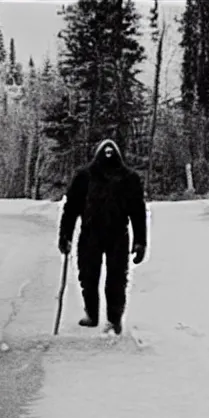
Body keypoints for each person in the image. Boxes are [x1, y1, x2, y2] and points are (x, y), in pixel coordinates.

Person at [58, 139, 147, 336]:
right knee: (88, 276)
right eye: (104, 151)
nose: (108, 154)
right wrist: (65, 235)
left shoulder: (129, 178)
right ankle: (92, 314)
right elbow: (71, 208)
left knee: (116, 279)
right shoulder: (84, 177)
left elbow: (137, 211)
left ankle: (114, 319)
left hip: (118, 235)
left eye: (111, 151)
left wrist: (140, 241)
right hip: (90, 234)